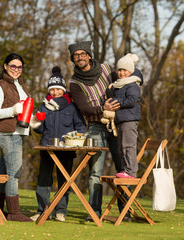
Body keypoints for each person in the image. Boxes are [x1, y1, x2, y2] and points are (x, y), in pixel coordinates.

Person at [68, 40, 124, 221]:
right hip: (94, 126)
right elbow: (84, 108)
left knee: (122, 168)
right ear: (73, 59)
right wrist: (102, 108)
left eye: (83, 54)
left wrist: (116, 105)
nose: (80, 57)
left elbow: (122, 86)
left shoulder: (107, 69)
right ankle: (95, 212)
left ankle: (126, 211)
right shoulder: (74, 83)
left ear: (89, 55)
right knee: (95, 172)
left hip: (116, 124)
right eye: (76, 55)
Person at [30, 66, 86, 222]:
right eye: (52, 89)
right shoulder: (44, 106)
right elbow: (40, 130)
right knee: (43, 180)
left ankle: (61, 211)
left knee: (64, 180)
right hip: (47, 148)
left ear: (63, 90)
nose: (55, 92)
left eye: (58, 89)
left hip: (66, 149)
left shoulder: (72, 106)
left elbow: (81, 127)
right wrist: (35, 123)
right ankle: (42, 211)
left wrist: (76, 137)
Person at [0, 53, 33, 222]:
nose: (16, 70)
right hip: (7, 134)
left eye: (19, 67)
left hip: (18, 133)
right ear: (5, 66)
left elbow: (23, 111)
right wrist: (13, 110)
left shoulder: (21, 86)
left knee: (4, 173)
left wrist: (34, 121)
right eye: (13, 66)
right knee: (14, 173)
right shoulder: (0, 86)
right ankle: (14, 213)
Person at [105, 53, 143, 179]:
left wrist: (117, 103)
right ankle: (124, 169)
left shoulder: (132, 84)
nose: (121, 73)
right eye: (119, 70)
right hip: (120, 120)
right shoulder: (119, 84)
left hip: (129, 120)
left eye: (124, 70)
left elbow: (132, 100)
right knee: (121, 147)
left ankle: (131, 171)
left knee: (128, 145)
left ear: (130, 71)